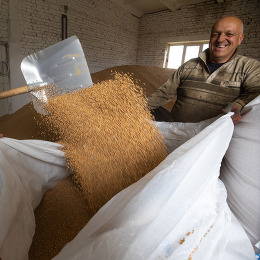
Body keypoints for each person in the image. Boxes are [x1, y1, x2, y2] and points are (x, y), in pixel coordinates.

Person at [147, 16, 260, 125]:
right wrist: (137, 107)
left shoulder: (250, 68)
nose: (220, 39)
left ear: (240, 39)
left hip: (211, 139)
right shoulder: (189, 66)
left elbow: (255, 95)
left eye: (229, 34)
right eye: (216, 34)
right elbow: (164, 93)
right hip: (176, 133)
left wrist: (238, 105)